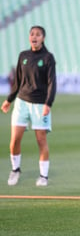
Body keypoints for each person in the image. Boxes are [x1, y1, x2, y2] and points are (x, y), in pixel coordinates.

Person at [1, 25, 56, 187]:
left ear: (43, 38)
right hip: (21, 102)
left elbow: (52, 83)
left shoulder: (48, 58)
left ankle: (43, 176)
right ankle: (15, 169)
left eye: (38, 34)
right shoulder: (23, 56)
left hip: (40, 104)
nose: (34, 37)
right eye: (32, 34)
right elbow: (17, 81)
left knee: (41, 140)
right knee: (15, 139)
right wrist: (9, 100)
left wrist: (48, 103)